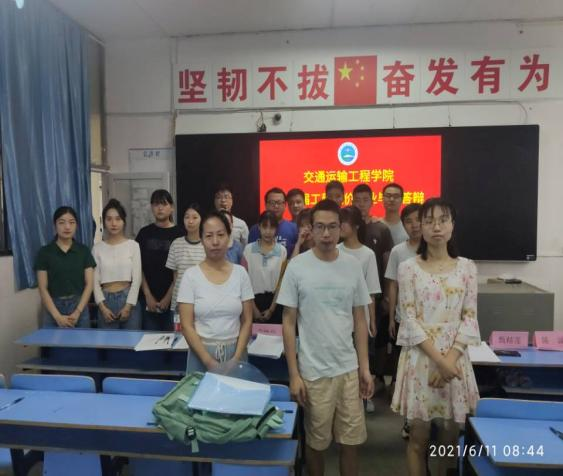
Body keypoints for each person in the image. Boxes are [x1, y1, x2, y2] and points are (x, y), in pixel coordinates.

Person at [277, 199, 374, 476]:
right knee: (316, 444)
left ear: (341, 228)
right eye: (320, 227)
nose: (327, 234)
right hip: (314, 372)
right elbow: (288, 321)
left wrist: (365, 368)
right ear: (311, 228)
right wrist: (294, 374)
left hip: (348, 369)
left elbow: (359, 319)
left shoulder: (352, 266)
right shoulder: (297, 266)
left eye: (333, 227)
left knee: (351, 443)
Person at [391, 198, 480, 476]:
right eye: (429, 221)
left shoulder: (467, 267)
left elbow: (470, 317)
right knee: (418, 438)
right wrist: (439, 362)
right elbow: (409, 319)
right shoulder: (408, 268)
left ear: (453, 225)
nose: (436, 227)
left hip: (455, 359)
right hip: (421, 358)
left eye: (443, 220)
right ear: (421, 226)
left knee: (449, 439)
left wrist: (448, 361)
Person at [177, 211, 254, 373]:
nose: (215, 241)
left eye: (220, 235)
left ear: (229, 237)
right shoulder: (191, 276)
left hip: (236, 353)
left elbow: (247, 320)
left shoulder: (241, 273)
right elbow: (186, 325)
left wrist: (236, 358)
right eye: (209, 236)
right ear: (201, 240)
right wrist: (209, 362)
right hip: (201, 354)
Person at [338, 206, 381, 413]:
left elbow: (371, 290)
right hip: (339, 316)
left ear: (356, 225)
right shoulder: (335, 251)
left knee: (362, 359)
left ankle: (363, 397)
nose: (339, 226)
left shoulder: (367, 254)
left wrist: (372, 320)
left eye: (343, 222)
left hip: (361, 316)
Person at [384, 203, 422, 438]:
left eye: (418, 220)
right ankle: (409, 419)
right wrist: (391, 318)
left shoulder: (435, 249)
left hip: (430, 322)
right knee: (408, 371)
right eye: (409, 221)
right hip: (404, 320)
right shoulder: (398, 251)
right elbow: (393, 285)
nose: (414, 225)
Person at [352, 184, 393, 391]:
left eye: (365, 200)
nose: (361, 204)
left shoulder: (381, 229)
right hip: (349, 296)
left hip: (374, 293)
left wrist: (386, 294)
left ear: (372, 201)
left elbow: (387, 262)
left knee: (374, 338)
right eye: (357, 200)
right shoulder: (348, 228)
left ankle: (373, 382)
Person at [35, 206, 96, 328]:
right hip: (53, 308)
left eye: (71, 222)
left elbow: (89, 284)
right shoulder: (44, 252)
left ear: (76, 225)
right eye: (62, 222)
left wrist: (77, 312)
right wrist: (57, 316)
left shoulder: (84, 251)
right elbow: (42, 288)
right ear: (55, 225)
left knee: (82, 341)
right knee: (52, 341)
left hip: (79, 307)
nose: (67, 227)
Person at [135, 190, 184, 331]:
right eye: (156, 204)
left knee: (173, 340)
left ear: (172, 207)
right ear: (151, 207)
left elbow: (180, 270)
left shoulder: (180, 234)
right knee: (150, 341)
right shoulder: (144, 233)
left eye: (164, 204)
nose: (160, 208)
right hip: (147, 301)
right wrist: (148, 295)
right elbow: (137, 267)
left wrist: (168, 297)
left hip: (174, 301)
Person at [93, 199, 142, 329]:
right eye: (109, 219)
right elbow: (94, 282)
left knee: (131, 340)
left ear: (124, 221)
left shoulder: (133, 246)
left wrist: (128, 306)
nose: (113, 223)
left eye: (118, 219)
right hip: (105, 301)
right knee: (107, 341)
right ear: (104, 222)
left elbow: (137, 279)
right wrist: (102, 308)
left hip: (128, 299)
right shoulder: (97, 248)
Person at [243, 211, 287, 324]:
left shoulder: (282, 251)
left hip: (275, 304)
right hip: (252, 302)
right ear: (259, 227)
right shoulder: (248, 250)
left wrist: (271, 310)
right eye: (264, 227)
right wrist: (254, 309)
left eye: (271, 227)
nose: (268, 231)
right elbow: (244, 282)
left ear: (276, 229)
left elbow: (281, 284)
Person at [166, 204, 205, 320]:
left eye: (195, 217)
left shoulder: (207, 245)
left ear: (202, 220)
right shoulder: (176, 243)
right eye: (187, 217)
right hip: (179, 302)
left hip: (202, 302)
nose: (190, 221)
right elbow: (175, 277)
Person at [248, 187, 298, 256]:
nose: (276, 206)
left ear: (285, 205)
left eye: (279, 202)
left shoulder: (294, 228)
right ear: (266, 205)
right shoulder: (255, 229)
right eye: (272, 203)